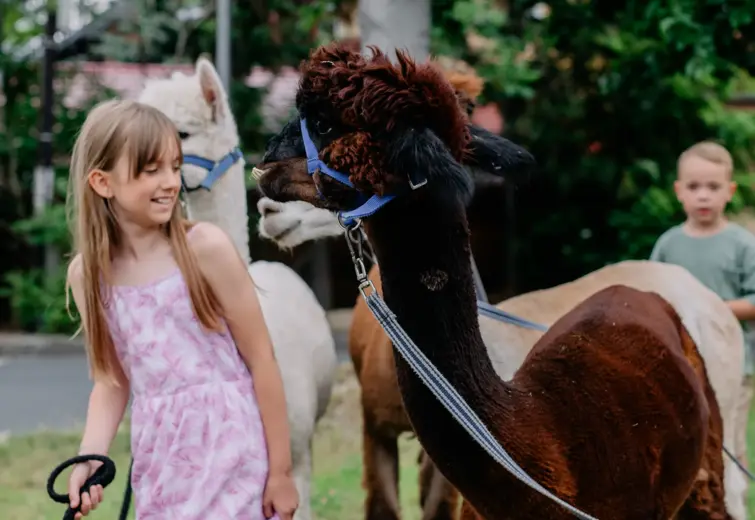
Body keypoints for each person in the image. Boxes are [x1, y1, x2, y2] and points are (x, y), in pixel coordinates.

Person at [63, 99, 298, 519]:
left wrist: (280, 471)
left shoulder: (204, 248)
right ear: (102, 182)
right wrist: (89, 457)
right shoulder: (88, 277)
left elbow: (262, 359)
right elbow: (112, 381)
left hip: (234, 449)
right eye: (151, 170)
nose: (170, 181)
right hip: (161, 462)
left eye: (174, 166)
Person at [649, 140, 755, 467]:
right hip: (681, 363)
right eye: (694, 187)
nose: (703, 195)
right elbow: (650, 295)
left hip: (733, 364)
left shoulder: (741, 244)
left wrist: (712, 309)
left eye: (713, 186)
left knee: (727, 440)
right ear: (679, 191)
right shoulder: (669, 244)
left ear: (730, 190)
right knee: (685, 442)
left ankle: (732, 505)